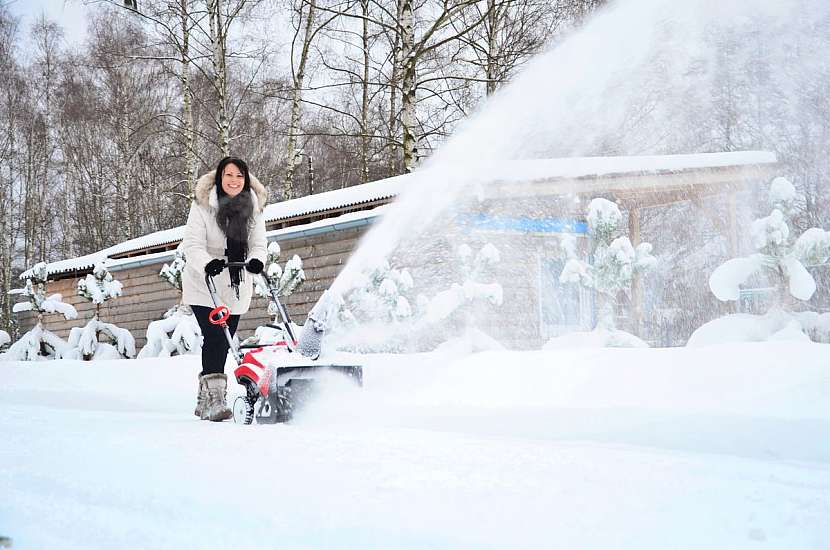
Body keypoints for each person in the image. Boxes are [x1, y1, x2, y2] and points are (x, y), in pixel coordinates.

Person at [181, 156, 268, 421]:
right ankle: (216, 399)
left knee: (225, 338)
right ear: (220, 177)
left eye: (239, 176)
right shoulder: (203, 204)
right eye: (229, 175)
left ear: (246, 179)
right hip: (203, 281)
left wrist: (256, 261)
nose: (234, 180)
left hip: (236, 282)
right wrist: (209, 264)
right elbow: (192, 245)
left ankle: (203, 396)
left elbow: (259, 243)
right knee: (216, 337)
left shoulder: (253, 206)